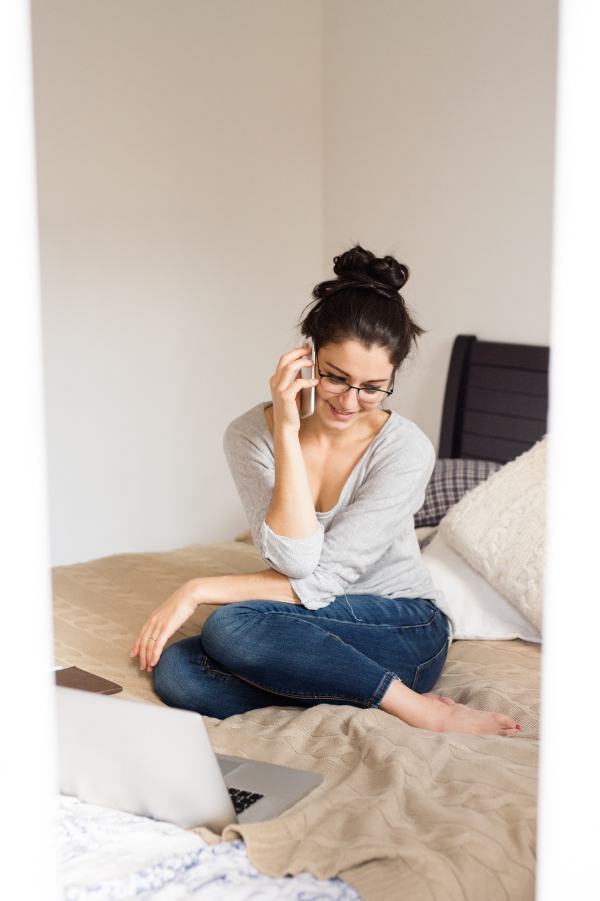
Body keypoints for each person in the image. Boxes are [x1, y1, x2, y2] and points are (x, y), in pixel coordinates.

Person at [131, 246, 520, 736]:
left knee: (229, 626)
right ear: (307, 358)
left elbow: (318, 579)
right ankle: (345, 685)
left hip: (402, 625)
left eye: (373, 387)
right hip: (308, 620)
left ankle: (422, 707)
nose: (350, 401)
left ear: (392, 378)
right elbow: (295, 562)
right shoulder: (250, 436)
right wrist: (288, 433)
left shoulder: (404, 450)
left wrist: (198, 589)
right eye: (336, 378)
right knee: (179, 673)